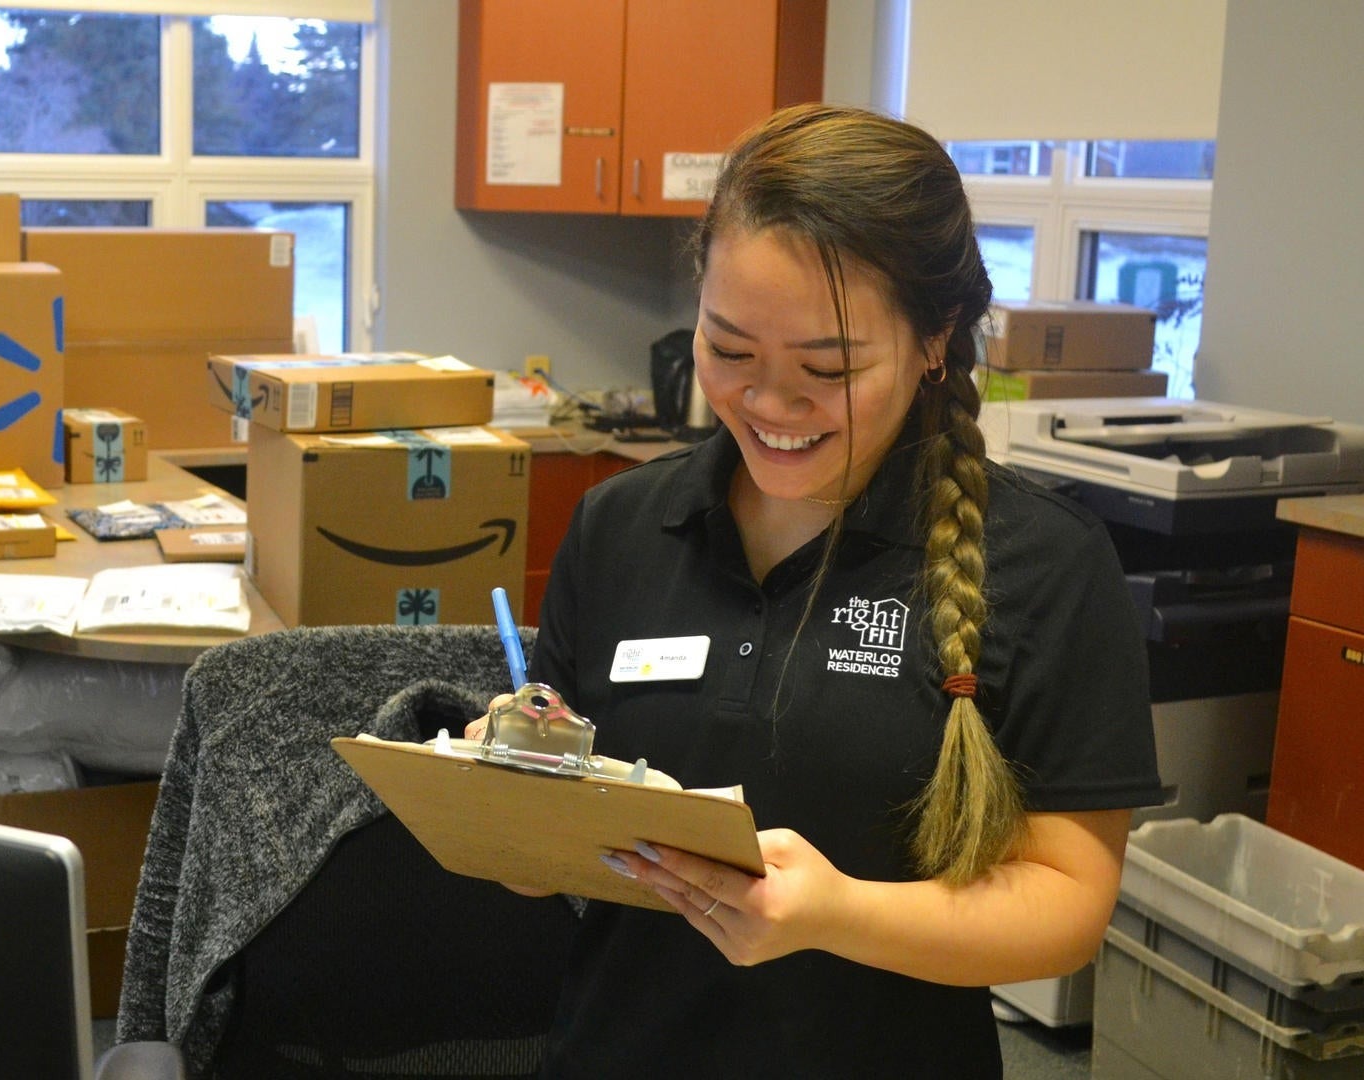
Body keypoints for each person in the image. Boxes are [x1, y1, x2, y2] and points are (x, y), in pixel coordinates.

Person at [467, 103, 1161, 1077]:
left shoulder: (1043, 565)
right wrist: (507, 799)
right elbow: (551, 857)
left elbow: (1065, 907)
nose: (770, 405)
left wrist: (839, 915)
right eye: (730, 350)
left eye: (828, 368)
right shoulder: (621, 527)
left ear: (934, 340)